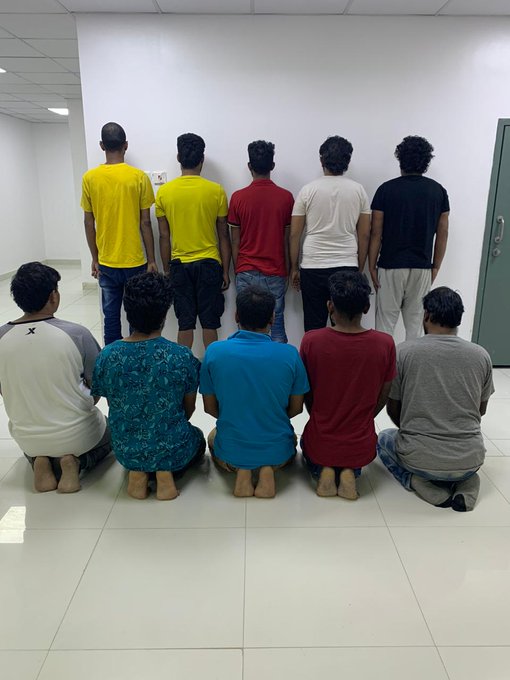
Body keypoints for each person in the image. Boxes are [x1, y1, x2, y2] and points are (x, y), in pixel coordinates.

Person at [377, 287, 494, 512]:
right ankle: (467, 482)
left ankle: (416, 481)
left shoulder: (404, 352)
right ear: (459, 319)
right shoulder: (481, 355)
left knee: (383, 438)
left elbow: (393, 408)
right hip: (470, 458)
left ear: (427, 315)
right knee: (465, 466)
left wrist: (416, 430)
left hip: (419, 459)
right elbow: (481, 409)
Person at [92, 272, 205, 501]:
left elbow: (111, 401)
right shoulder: (181, 356)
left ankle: (138, 473)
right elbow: (189, 409)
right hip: (174, 447)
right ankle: (164, 473)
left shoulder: (108, 356)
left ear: (127, 311)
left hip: (126, 450)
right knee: (199, 439)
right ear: (164, 314)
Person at [0, 262, 111, 493]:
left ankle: (38, 461)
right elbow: (99, 386)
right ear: (53, 296)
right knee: (112, 434)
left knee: (35, 443)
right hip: (80, 435)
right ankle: (76, 462)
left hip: (28, 439)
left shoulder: (2, 336)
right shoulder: (77, 334)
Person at [200, 286, 309, 498]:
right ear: (273, 318)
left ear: (236, 316)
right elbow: (296, 409)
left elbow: (210, 408)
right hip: (279, 450)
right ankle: (267, 468)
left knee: (213, 435)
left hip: (229, 451)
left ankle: (242, 469)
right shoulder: (290, 354)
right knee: (289, 438)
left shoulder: (214, 352)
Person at [300, 271, 396, 499]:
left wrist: (318, 415)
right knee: (356, 451)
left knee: (309, 445)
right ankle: (349, 472)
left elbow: (306, 392)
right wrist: (365, 418)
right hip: (360, 444)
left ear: (329, 306)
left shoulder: (312, 341)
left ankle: (324, 469)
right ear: (366, 308)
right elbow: (384, 393)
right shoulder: (385, 344)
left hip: (320, 441)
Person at [82, 122, 157, 345]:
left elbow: (88, 222)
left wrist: (94, 258)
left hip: (106, 260)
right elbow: (145, 223)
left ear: (101, 145)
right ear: (126, 145)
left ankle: (111, 358)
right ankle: (137, 358)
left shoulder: (90, 178)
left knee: (111, 318)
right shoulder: (139, 177)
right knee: (138, 316)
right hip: (135, 260)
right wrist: (152, 260)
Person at [368, 135, 450, 340]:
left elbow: (376, 232)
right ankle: (412, 362)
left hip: (390, 265)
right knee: (416, 327)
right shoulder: (438, 191)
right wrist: (435, 266)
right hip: (422, 266)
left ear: (400, 160)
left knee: (385, 325)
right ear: (426, 162)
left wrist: (372, 265)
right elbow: (442, 233)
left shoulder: (385, 190)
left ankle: (385, 362)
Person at [156, 133, 231, 349]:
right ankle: (211, 366)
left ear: (179, 158)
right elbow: (223, 235)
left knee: (185, 323)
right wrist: (225, 271)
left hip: (179, 265)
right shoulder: (216, 191)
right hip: (210, 264)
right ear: (202, 159)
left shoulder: (164, 193)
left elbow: (164, 236)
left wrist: (167, 269)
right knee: (210, 322)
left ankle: (183, 367)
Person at [289, 135, 371, 332]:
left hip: (313, 265)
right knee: (346, 326)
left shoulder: (307, 190)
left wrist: (294, 268)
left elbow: (295, 234)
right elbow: (365, 235)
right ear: (347, 161)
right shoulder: (359, 191)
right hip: (347, 264)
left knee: (313, 326)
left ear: (321, 160)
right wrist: (359, 268)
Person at [229, 140, 294, 343]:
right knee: (277, 323)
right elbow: (287, 239)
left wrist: (237, 269)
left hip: (246, 269)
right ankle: (278, 362)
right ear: (272, 165)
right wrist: (289, 270)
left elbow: (235, 241)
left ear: (249, 166)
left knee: (245, 327)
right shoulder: (286, 198)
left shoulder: (238, 198)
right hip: (275, 270)